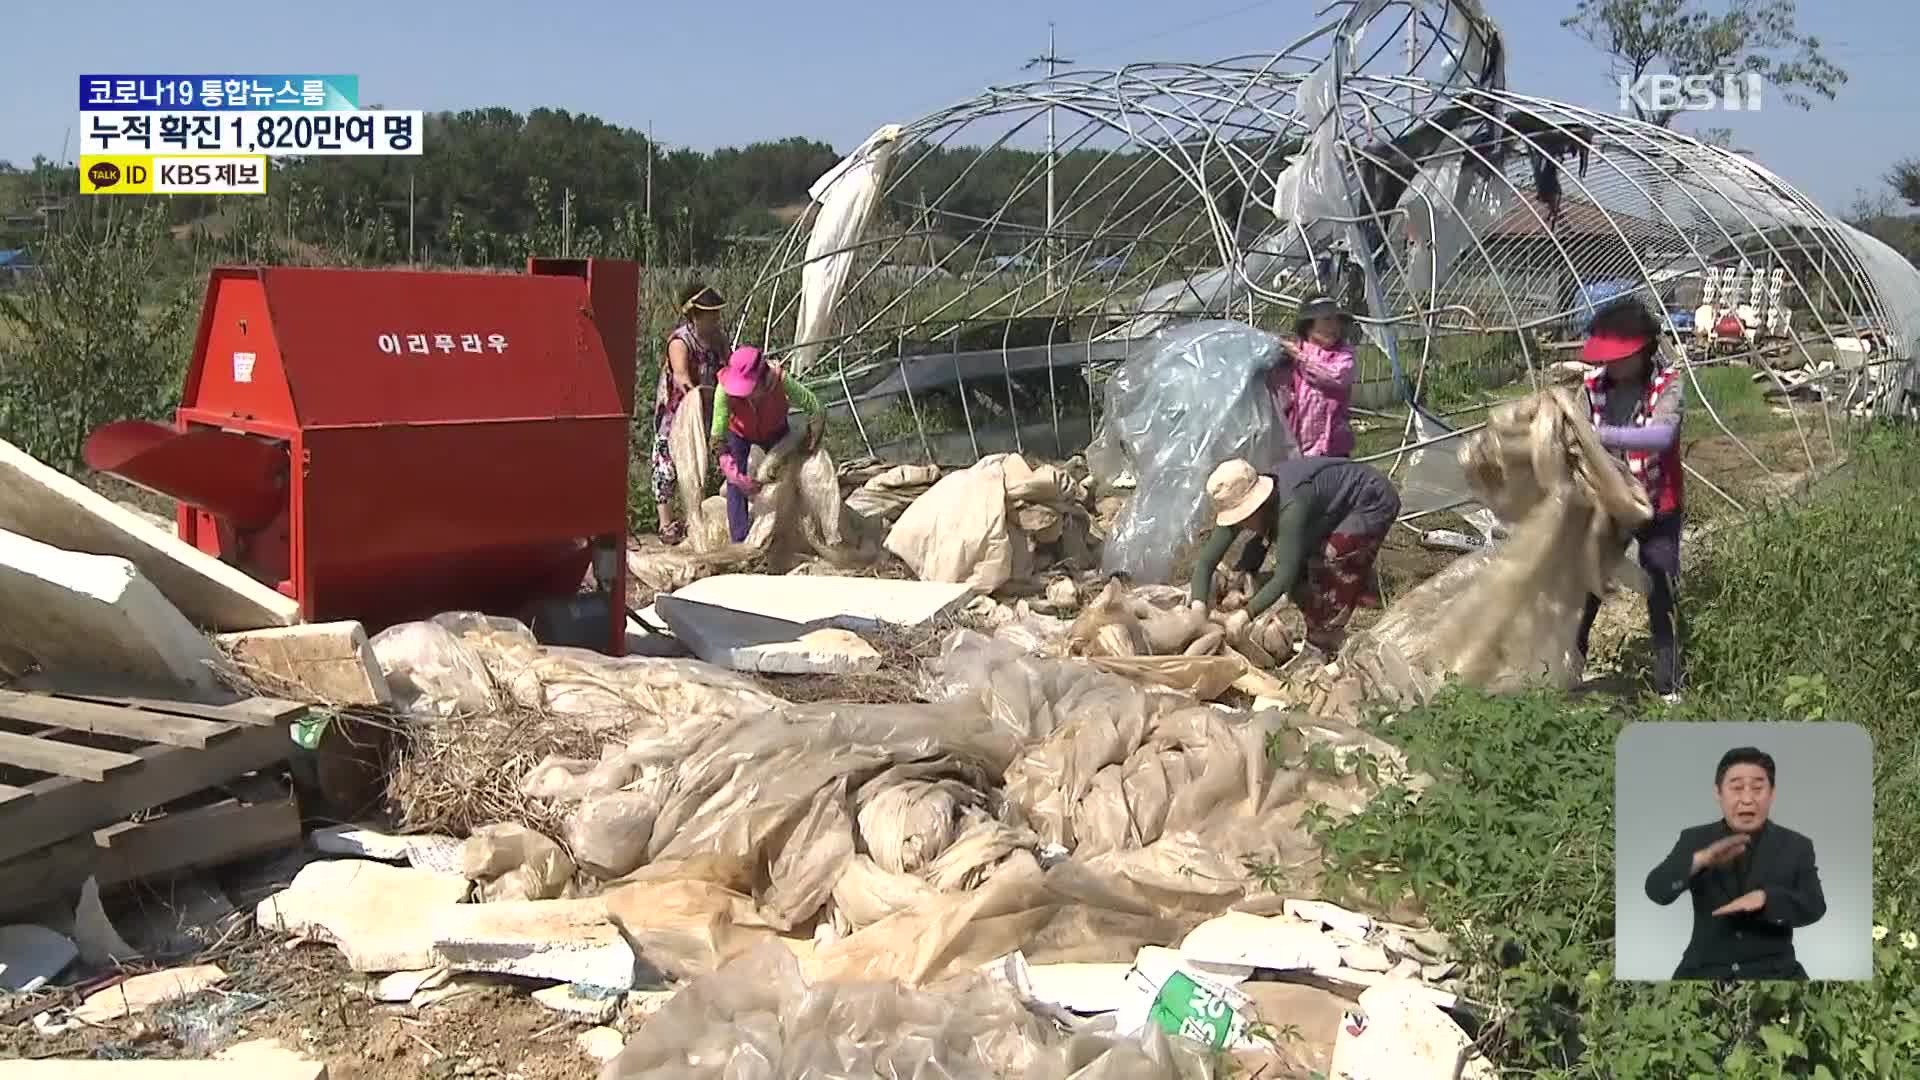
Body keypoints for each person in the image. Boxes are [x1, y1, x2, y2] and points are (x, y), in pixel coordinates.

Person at [1574, 299, 1686, 699]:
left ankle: (1669, 685)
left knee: (1661, 585)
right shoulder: (1592, 388)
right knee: (1587, 586)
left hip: (1658, 505)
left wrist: (1607, 437)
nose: (1612, 367)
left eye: (1620, 359)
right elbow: (1575, 433)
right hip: (1609, 504)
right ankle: (1571, 668)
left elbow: (1660, 436)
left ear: (1643, 352)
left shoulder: (1668, 385)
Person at [1188, 456, 1401, 657]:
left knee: (1331, 557)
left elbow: (1284, 574)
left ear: (1257, 503)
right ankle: (1357, 588)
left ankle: (1325, 637)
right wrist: (1198, 612)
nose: (1241, 524)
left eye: (1244, 517)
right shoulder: (1238, 500)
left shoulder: (1292, 504)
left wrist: (1244, 615)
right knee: (1301, 566)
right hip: (1329, 509)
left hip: (1370, 499)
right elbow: (1206, 563)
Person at [1644, 747, 1826, 980]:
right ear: (1718, 793)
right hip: (1703, 971)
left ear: (1772, 793)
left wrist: (1766, 899)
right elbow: (1656, 890)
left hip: (1776, 973)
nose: (1747, 799)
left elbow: (1815, 905)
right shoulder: (1694, 839)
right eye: (1737, 788)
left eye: (1758, 788)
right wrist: (1702, 859)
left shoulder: (1797, 845)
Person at [709, 345, 827, 543]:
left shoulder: (780, 380)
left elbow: (815, 407)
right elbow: (717, 437)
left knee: (790, 475)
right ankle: (740, 539)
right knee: (735, 485)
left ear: (762, 379)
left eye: (750, 388)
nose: (744, 394)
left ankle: (794, 529)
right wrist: (733, 473)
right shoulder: (724, 389)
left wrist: (812, 438)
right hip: (739, 432)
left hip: (775, 430)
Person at [651, 284, 731, 545]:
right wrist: (701, 392)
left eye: (716, 313)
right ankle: (666, 525)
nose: (715, 319)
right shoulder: (680, 341)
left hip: (711, 411)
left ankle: (699, 517)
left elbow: (729, 368)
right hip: (678, 414)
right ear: (694, 315)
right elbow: (682, 376)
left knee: (715, 459)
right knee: (668, 465)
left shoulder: (719, 340)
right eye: (710, 314)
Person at [1266, 295, 1358, 457]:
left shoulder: (1343, 354)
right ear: (1309, 326)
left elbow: (1336, 376)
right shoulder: (1290, 356)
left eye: (1337, 321)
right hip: (1299, 444)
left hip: (1333, 446)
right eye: (1327, 320)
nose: (1334, 326)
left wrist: (1299, 356)